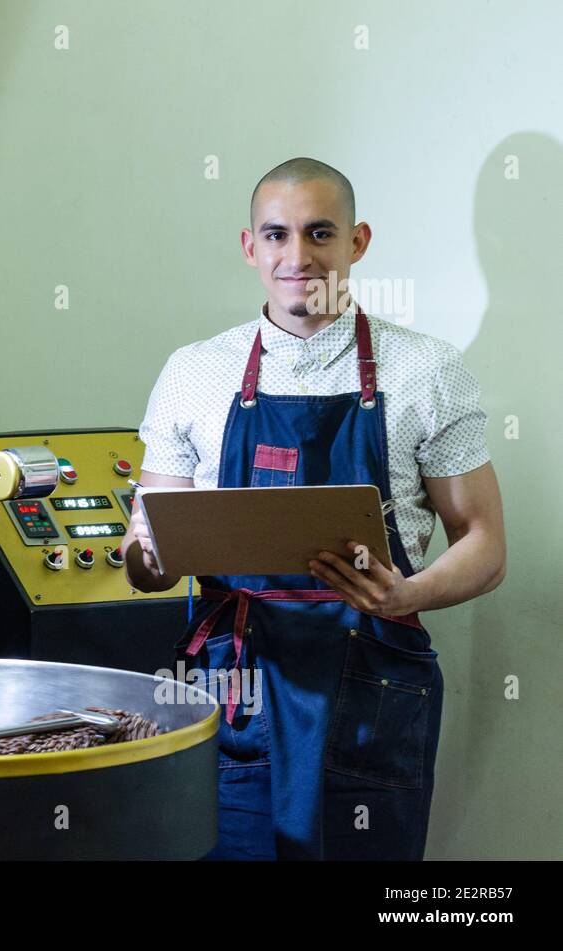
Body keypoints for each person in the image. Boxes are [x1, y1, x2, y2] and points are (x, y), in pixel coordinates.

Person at [122, 157, 507, 860]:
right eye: (276, 235)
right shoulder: (194, 372)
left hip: (370, 683)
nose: (297, 257)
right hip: (230, 689)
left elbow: (484, 542)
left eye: (319, 233)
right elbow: (147, 558)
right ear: (250, 247)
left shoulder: (425, 370)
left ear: (357, 242)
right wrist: (143, 555)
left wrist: (406, 593)